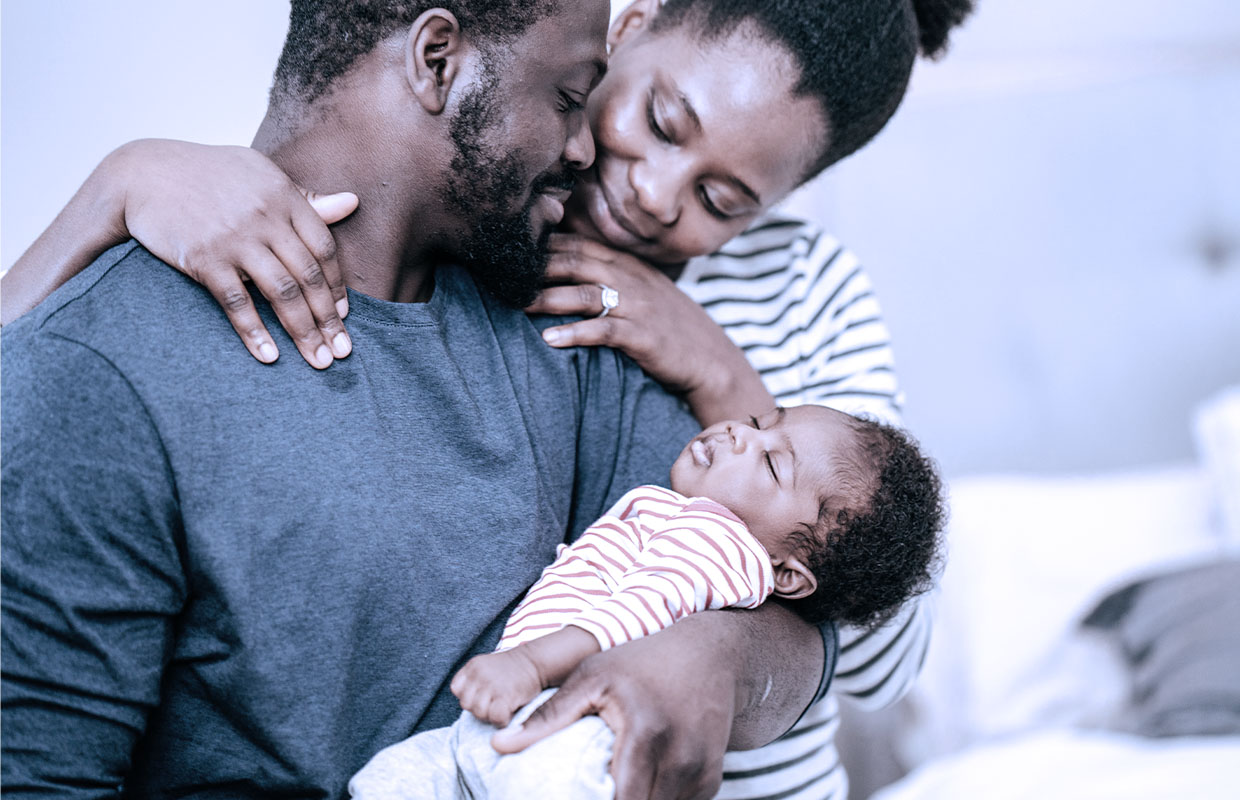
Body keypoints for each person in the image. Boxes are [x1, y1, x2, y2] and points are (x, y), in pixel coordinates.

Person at [1, 1, 976, 797]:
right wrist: (117, 181)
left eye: (724, 199)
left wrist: (720, 388)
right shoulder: (131, 336)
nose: (638, 186)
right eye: (600, 105)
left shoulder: (632, 322)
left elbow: (840, 616)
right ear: (620, 39)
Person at [349, 405, 945, 799]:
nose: (741, 431)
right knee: (388, 780)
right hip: (512, 724)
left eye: (769, 461)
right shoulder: (681, 515)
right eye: (765, 419)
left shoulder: (720, 546)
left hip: (575, 737)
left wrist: (529, 664)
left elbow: (631, 616)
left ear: (788, 576)